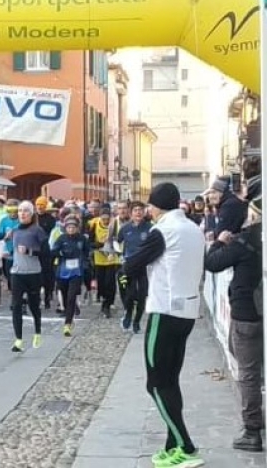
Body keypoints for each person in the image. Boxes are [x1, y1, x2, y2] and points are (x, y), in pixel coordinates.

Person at [122, 182, 205, 468]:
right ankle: (172, 445)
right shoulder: (194, 228)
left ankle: (186, 445)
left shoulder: (163, 230)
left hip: (164, 310)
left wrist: (125, 270)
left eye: (150, 206)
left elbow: (133, 263)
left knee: (156, 383)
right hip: (187, 311)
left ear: (156, 206)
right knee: (170, 381)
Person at [204, 176, 263, 452]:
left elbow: (212, 263)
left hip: (247, 312)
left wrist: (219, 241)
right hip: (253, 309)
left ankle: (252, 430)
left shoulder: (247, 239)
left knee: (248, 372)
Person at [10, 201, 48, 353]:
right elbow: (13, 251)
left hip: (33, 273)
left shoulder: (37, 231)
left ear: (31, 214)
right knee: (16, 306)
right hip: (17, 273)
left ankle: (37, 332)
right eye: (20, 211)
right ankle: (18, 340)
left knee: (33, 305)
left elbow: (46, 253)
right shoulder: (15, 231)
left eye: (25, 211)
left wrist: (30, 252)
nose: (22, 214)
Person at [117, 201, 153, 334]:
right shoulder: (126, 228)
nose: (138, 212)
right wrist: (118, 254)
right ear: (131, 213)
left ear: (144, 212)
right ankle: (128, 314)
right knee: (130, 294)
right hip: (129, 265)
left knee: (142, 295)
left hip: (144, 266)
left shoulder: (150, 228)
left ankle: (137, 321)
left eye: (140, 210)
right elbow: (116, 242)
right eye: (135, 210)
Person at [51, 215, 90, 337]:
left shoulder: (82, 239)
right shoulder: (61, 238)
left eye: (73, 227)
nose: (71, 229)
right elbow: (53, 251)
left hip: (76, 272)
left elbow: (86, 252)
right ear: (65, 228)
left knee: (71, 296)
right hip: (63, 272)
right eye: (69, 227)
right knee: (64, 293)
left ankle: (67, 323)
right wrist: (60, 253)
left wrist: (84, 264)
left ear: (77, 228)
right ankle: (69, 314)